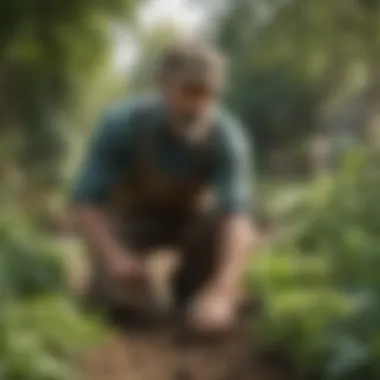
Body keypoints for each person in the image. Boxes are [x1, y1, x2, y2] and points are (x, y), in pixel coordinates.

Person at [71, 41, 255, 335]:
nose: (200, 105)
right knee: (119, 302)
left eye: (210, 94)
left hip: (188, 221)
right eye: (191, 91)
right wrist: (116, 257)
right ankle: (135, 294)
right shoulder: (121, 124)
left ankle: (192, 291)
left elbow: (237, 218)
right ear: (162, 85)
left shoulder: (226, 136)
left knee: (216, 228)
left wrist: (224, 291)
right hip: (130, 222)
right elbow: (85, 204)